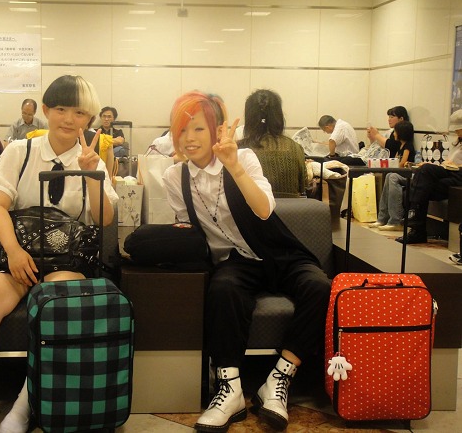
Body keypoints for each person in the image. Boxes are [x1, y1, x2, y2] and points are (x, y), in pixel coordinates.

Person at [0, 75, 119, 433]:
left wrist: (92, 174)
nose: (68, 119)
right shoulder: (20, 151)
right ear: (45, 110)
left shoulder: (93, 160)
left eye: (79, 112)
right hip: (19, 255)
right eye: (60, 109)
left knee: (59, 302)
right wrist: (14, 254)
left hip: (67, 260)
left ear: (88, 119)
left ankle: (23, 408)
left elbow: (105, 218)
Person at [162, 91, 331, 432]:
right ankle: (231, 390)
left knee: (319, 286)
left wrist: (234, 165)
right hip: (236, 260)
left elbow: (265, 210)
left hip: (278, 250)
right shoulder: (174, 178)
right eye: (182, 130)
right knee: (223, 290)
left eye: (198, 129)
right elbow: (188, 230)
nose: (189, 139)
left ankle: (278, 380)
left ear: (216, 131)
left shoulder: (245, 158)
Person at [397, 109, 462, 244]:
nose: (457, 132)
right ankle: (416, 228)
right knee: (417, 182)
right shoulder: (458, 143)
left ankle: (414, 219)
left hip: (459, 176)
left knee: (424, 176)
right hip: (450, 171)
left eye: (458, 129)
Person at [239, 89, 307, 198]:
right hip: (289, 213)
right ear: (279, 116)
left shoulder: (239, 150)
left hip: (250, 213)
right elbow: (302, 186)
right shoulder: (295, 148)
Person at [368, 120, 416, 231]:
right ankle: (382, 218)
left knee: (392, 176)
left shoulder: (408, 146)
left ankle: (396, 220)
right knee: (390, 175)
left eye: (395, 131)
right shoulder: (400, 146)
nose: (393, 134)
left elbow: (402, 163)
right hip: (400, 173)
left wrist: (393, 166)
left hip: (408, 174)